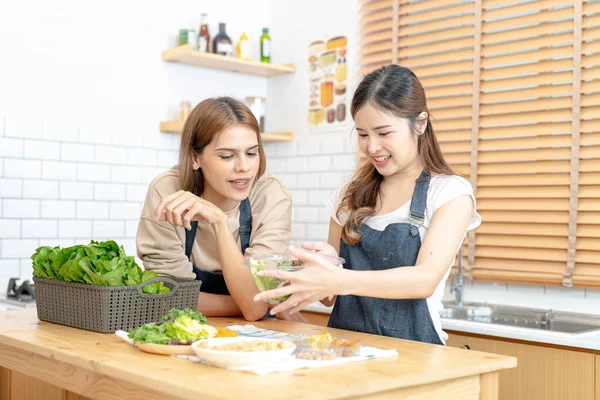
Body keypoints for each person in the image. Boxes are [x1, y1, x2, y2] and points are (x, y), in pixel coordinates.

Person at [253, 65, 481, 344]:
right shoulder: (349, 196)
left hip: (415, 357)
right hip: (345, 353)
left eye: (384, 133)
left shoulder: (449, 193)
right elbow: (329, 299)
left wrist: (339, 278)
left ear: (420, 123)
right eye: (362, 134)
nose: (372, 147)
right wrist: (321, 267)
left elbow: (424, 280)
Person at [136, 96, 304, 322]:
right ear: (196, 157)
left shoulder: (270, 195)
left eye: (252, 153)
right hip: (186, 327)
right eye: (227, 156)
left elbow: (254, 311)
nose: (244, 167)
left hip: (260, 333)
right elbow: (167, 298)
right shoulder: (167, 191)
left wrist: (218, 221)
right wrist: (254, 301)